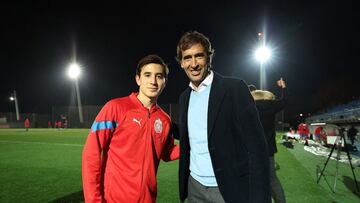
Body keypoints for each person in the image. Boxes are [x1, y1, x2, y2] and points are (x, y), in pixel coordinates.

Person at [176, 31, 270, 203]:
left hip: (227, 189)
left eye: (199, 56)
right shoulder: (184, 97)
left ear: (209, 58)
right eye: (187, 58)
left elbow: (257, 148)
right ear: (181, 63)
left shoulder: (234, 88)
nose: (194, 64)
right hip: (194, 187)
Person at [82, 54, 180, 203]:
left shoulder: (165, 119)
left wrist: (193, 143)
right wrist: (94, 200)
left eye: (159, 76)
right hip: (113, 199)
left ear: (165, 82)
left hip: (148, 199)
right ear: (138, 79)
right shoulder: (115, 107)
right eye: (147, 75)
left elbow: (166, 153)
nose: (153, 81)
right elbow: (91, 153)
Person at [250, 78, 287, 203]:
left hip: (252, 150)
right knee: (272, 180)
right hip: (268, 150)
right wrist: (283, 87)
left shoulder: (249, 106)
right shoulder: (271, 106)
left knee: (254, 180)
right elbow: (285, 101)